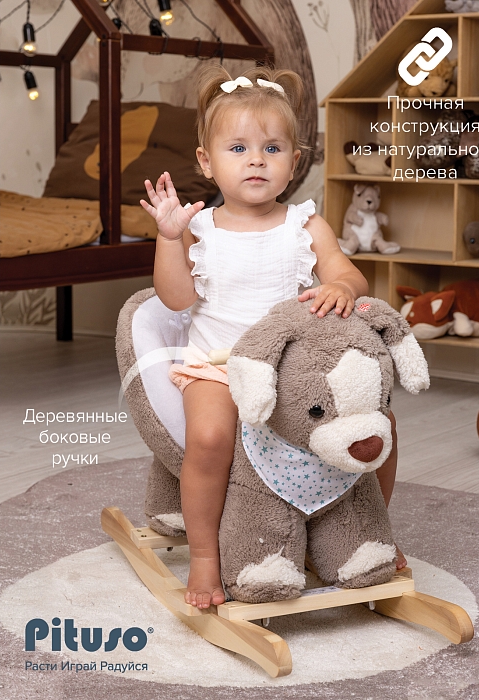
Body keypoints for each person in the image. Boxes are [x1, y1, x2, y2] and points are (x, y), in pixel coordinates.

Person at [141, 65, 404, 610]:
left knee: (380, 425)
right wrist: (168, 239)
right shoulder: (199, 229)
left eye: (272, 148)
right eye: (237, 148)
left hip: (290, 371)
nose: (256, 160)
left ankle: (370, 532)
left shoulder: (305, 225)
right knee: (210, 437)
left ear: (294, 162)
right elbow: (175, 298)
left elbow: (350, 275)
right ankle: (206, 555)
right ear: (206, 162)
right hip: (217, 366)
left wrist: (340, 285)